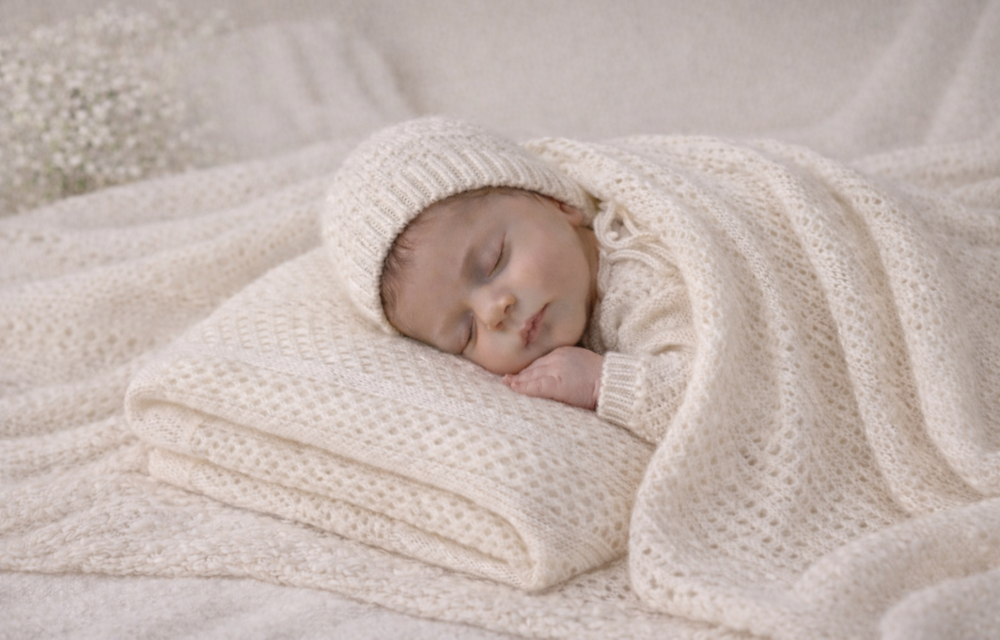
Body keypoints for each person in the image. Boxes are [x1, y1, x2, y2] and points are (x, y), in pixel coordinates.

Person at [324, 117, 693, 444]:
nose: (492, 312)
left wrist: (603, 383)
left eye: (494, 261)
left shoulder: (643, 283)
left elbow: (718, 397)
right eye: (465, 333)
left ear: (557, 202)